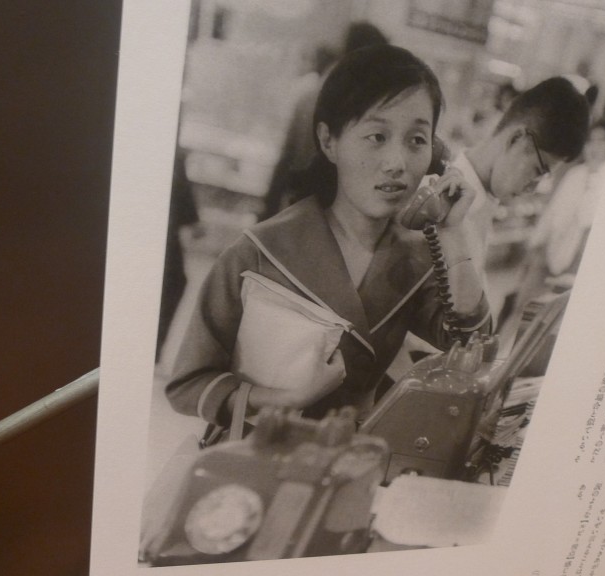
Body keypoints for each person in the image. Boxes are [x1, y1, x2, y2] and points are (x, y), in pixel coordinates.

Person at [164, 45, 491, 427]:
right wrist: (288, 399)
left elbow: (472, 349)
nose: (397, 163)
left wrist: (453, 232)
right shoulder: (259, 251)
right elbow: (188, 384)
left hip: (346, 454)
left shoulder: (416, 261)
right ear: (328, 141)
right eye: (377, 136)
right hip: (255, 450)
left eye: (417, 140)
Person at [449, 77, 592, 292]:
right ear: (516, 139)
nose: (532, 188)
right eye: (537, 171)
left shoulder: (484, 202)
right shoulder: (442, 200)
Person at [260, 22, 389, 221]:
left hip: (295, 208)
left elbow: (285, 161)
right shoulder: (355, 105)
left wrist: (267, 213)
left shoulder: (309, 95)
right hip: (329, 215)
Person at [512, 117, 605, 312]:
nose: (594, 147)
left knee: (553, 314)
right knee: (524, 306)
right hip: (548, 252)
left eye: (600, 141)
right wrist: (535, 246)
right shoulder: (575, 174)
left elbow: (589, 221)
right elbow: (552, 213)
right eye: (590, 141)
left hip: (578, 261)